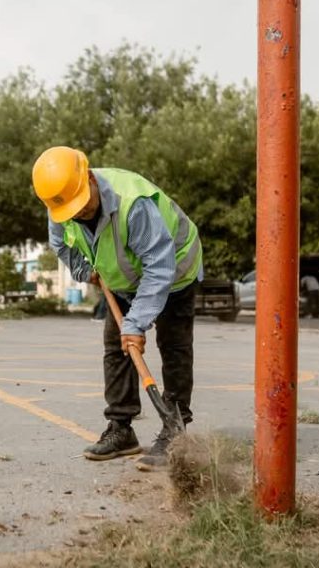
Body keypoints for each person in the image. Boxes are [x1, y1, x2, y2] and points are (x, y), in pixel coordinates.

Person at [34, 146, 203, 470]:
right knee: (116, 347)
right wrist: (85, 271)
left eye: (82, 204)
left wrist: (136, 323)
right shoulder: (60, 203)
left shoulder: (132, 204)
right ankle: (121, 429)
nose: (79, 213)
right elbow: (61, 245)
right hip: (122, 280)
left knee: (174, 346)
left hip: (175, 270)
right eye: (71, 210)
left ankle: (175, 429)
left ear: (90, 178)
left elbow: (158, 266)